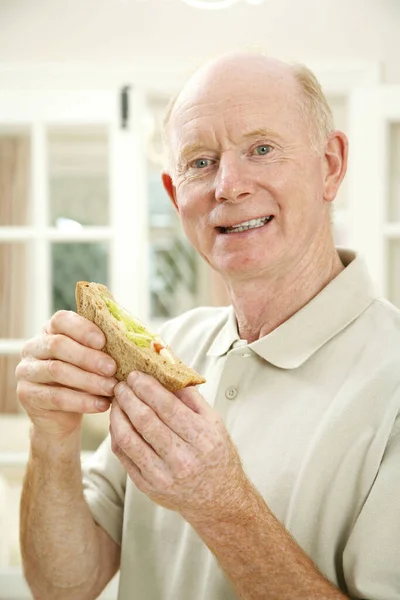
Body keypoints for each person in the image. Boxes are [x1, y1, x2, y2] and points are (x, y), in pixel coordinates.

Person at [16, 52, 400, 600]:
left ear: (330, 165)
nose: (229, 186)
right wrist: (51, 437)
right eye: (201, 162)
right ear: (176, 197)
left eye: (262, 149)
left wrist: (220, 503)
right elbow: (63, 585)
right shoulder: (170, 349)